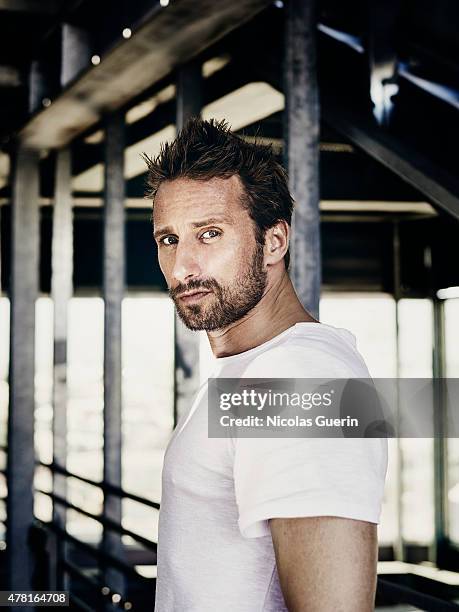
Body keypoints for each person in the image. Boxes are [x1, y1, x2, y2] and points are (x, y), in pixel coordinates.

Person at [144, 118, 388, 611]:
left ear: (274, 242)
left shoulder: (301, 375)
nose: (184, 265)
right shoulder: (252, 368)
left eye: (209, 234)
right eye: (168, 239)